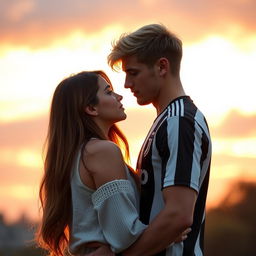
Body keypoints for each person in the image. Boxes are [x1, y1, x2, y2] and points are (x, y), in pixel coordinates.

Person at [36, 70, 188, 256]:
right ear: (91, 108)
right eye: (108, 92)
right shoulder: (102, 151)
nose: (119, 96)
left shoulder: (79, 155)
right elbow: (124, 234)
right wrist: (167, 232)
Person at [105, 24, 212, 255]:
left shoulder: (180, 121)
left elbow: (179, 215)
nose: (126, 84)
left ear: (162, 66)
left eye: (133, 73)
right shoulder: (167, 121)